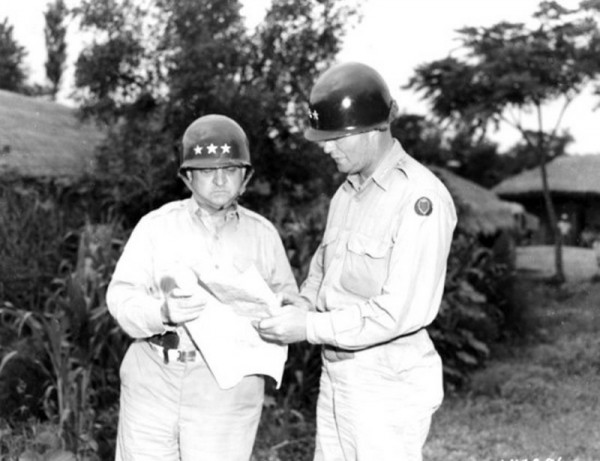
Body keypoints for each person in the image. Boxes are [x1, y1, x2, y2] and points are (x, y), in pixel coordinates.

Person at [256, 62, 457, 461]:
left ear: (373, 129)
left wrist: (309, 326)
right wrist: (304, 302)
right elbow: (323, 268)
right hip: (338, 373)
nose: (325, 147)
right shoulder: (346, 194)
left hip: (387, 382)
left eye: (334, 138)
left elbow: (397, 311)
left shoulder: (419, 199)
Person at [106, 114, 298, 461]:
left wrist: (285, 311)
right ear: (188, 176)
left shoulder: (264, 235)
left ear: (246, 177)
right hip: (154, 379)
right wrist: (161, 312)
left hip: (227, 389)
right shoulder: (155, 227)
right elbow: (121, 297)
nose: (221, 180)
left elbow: (293, 302)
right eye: (208, 171)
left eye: (231, 169)